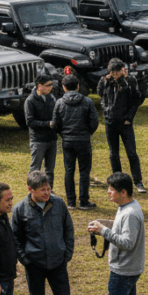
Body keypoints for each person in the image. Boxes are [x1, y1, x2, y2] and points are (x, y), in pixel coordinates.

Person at [11, 170, 81, 295]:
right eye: (42, 190)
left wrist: (67, 254)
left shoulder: (59, 204)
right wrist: (25, 260)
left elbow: (68, 229)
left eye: (48, 188)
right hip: (34, 265)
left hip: (58, 263)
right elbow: (15, 238)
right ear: (30, 189)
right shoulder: (20, 209)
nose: (47, 192)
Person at [86, 172, 146, 295]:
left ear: (123, 192)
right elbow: (123, 230)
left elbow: (127, 242)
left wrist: (103, 231)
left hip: (123, 270)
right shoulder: (127, 206)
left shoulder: (130, 214)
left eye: (111, 190)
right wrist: (105, 225)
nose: (108, 192)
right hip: (130, 267)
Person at [97, 59, 144, 193]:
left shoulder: (129, 81)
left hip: (125, 123)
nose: (115, 75)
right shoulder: (105, 80)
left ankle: (138, 181)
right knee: (113, 154)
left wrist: (129, 118)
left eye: (117, 72)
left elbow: (136, 100)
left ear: (122, 70)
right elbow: (100, 95)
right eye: (113, 72)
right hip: (110, 122)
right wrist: (106, 112)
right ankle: (117, 181)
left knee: (131, 153)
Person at [52, 74, 99, 209]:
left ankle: (71, 202)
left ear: (63, 87)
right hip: (83, 140)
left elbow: (55, 124)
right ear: (78, 86)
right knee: (84, 171)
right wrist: (87, 132)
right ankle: (83, 201)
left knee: (69, 170)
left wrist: (63, 134)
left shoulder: (59, 102)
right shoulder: (87, 101)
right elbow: (94, 122)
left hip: (67, 140)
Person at [25, 75, 58, 189]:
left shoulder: (51, 98)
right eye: (48, 85)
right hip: (38, 140)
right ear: (39, 86)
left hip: (52, 139)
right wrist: (48, 124)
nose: (50, 87)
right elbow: (30, 122)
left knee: (50, 170)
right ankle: (32, 191)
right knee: (35, 169)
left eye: (51, 85)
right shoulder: (30, 101)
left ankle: (49, 191)